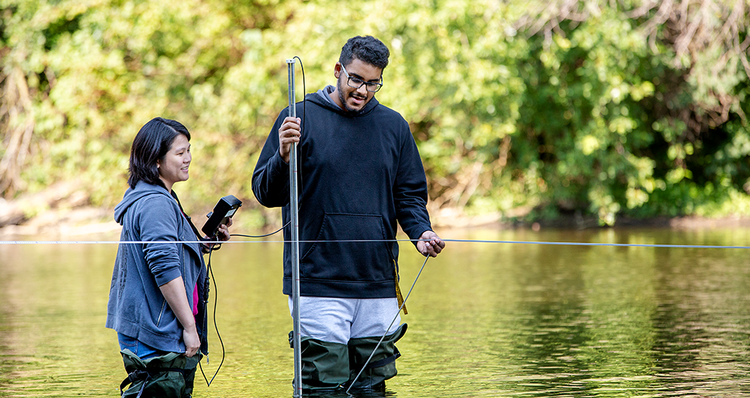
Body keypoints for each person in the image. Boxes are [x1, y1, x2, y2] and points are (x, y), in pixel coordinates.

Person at [252, 35, 445, 392]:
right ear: (339, 70)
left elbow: (410, 195)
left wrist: (421, 233)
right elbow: (265, 193)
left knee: (372, 388)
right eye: (356, 79)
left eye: (373, 83)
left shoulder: (394, 126)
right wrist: (282, 156)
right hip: (316, 281)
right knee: (322, 387)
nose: (363, 90)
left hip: (378, 281)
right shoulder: (298, 118)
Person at [106, 117, 231, 397]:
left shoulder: (161, 197)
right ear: (156, 160)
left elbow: (170, 251)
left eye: (189, 150)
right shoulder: (155, 204)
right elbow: (163, 268)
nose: (188, 159)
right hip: (156, 332)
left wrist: (203, 244)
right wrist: (189, 326)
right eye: (180, 152)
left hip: (158, 329)